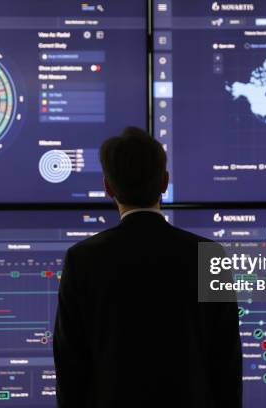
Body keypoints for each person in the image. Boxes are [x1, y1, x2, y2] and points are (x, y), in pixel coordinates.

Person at [53, 127, 242, 407]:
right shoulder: (209, 255)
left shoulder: (82, 259)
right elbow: (226, 365)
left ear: (108, 187)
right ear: (165, 182)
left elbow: (70, 369)